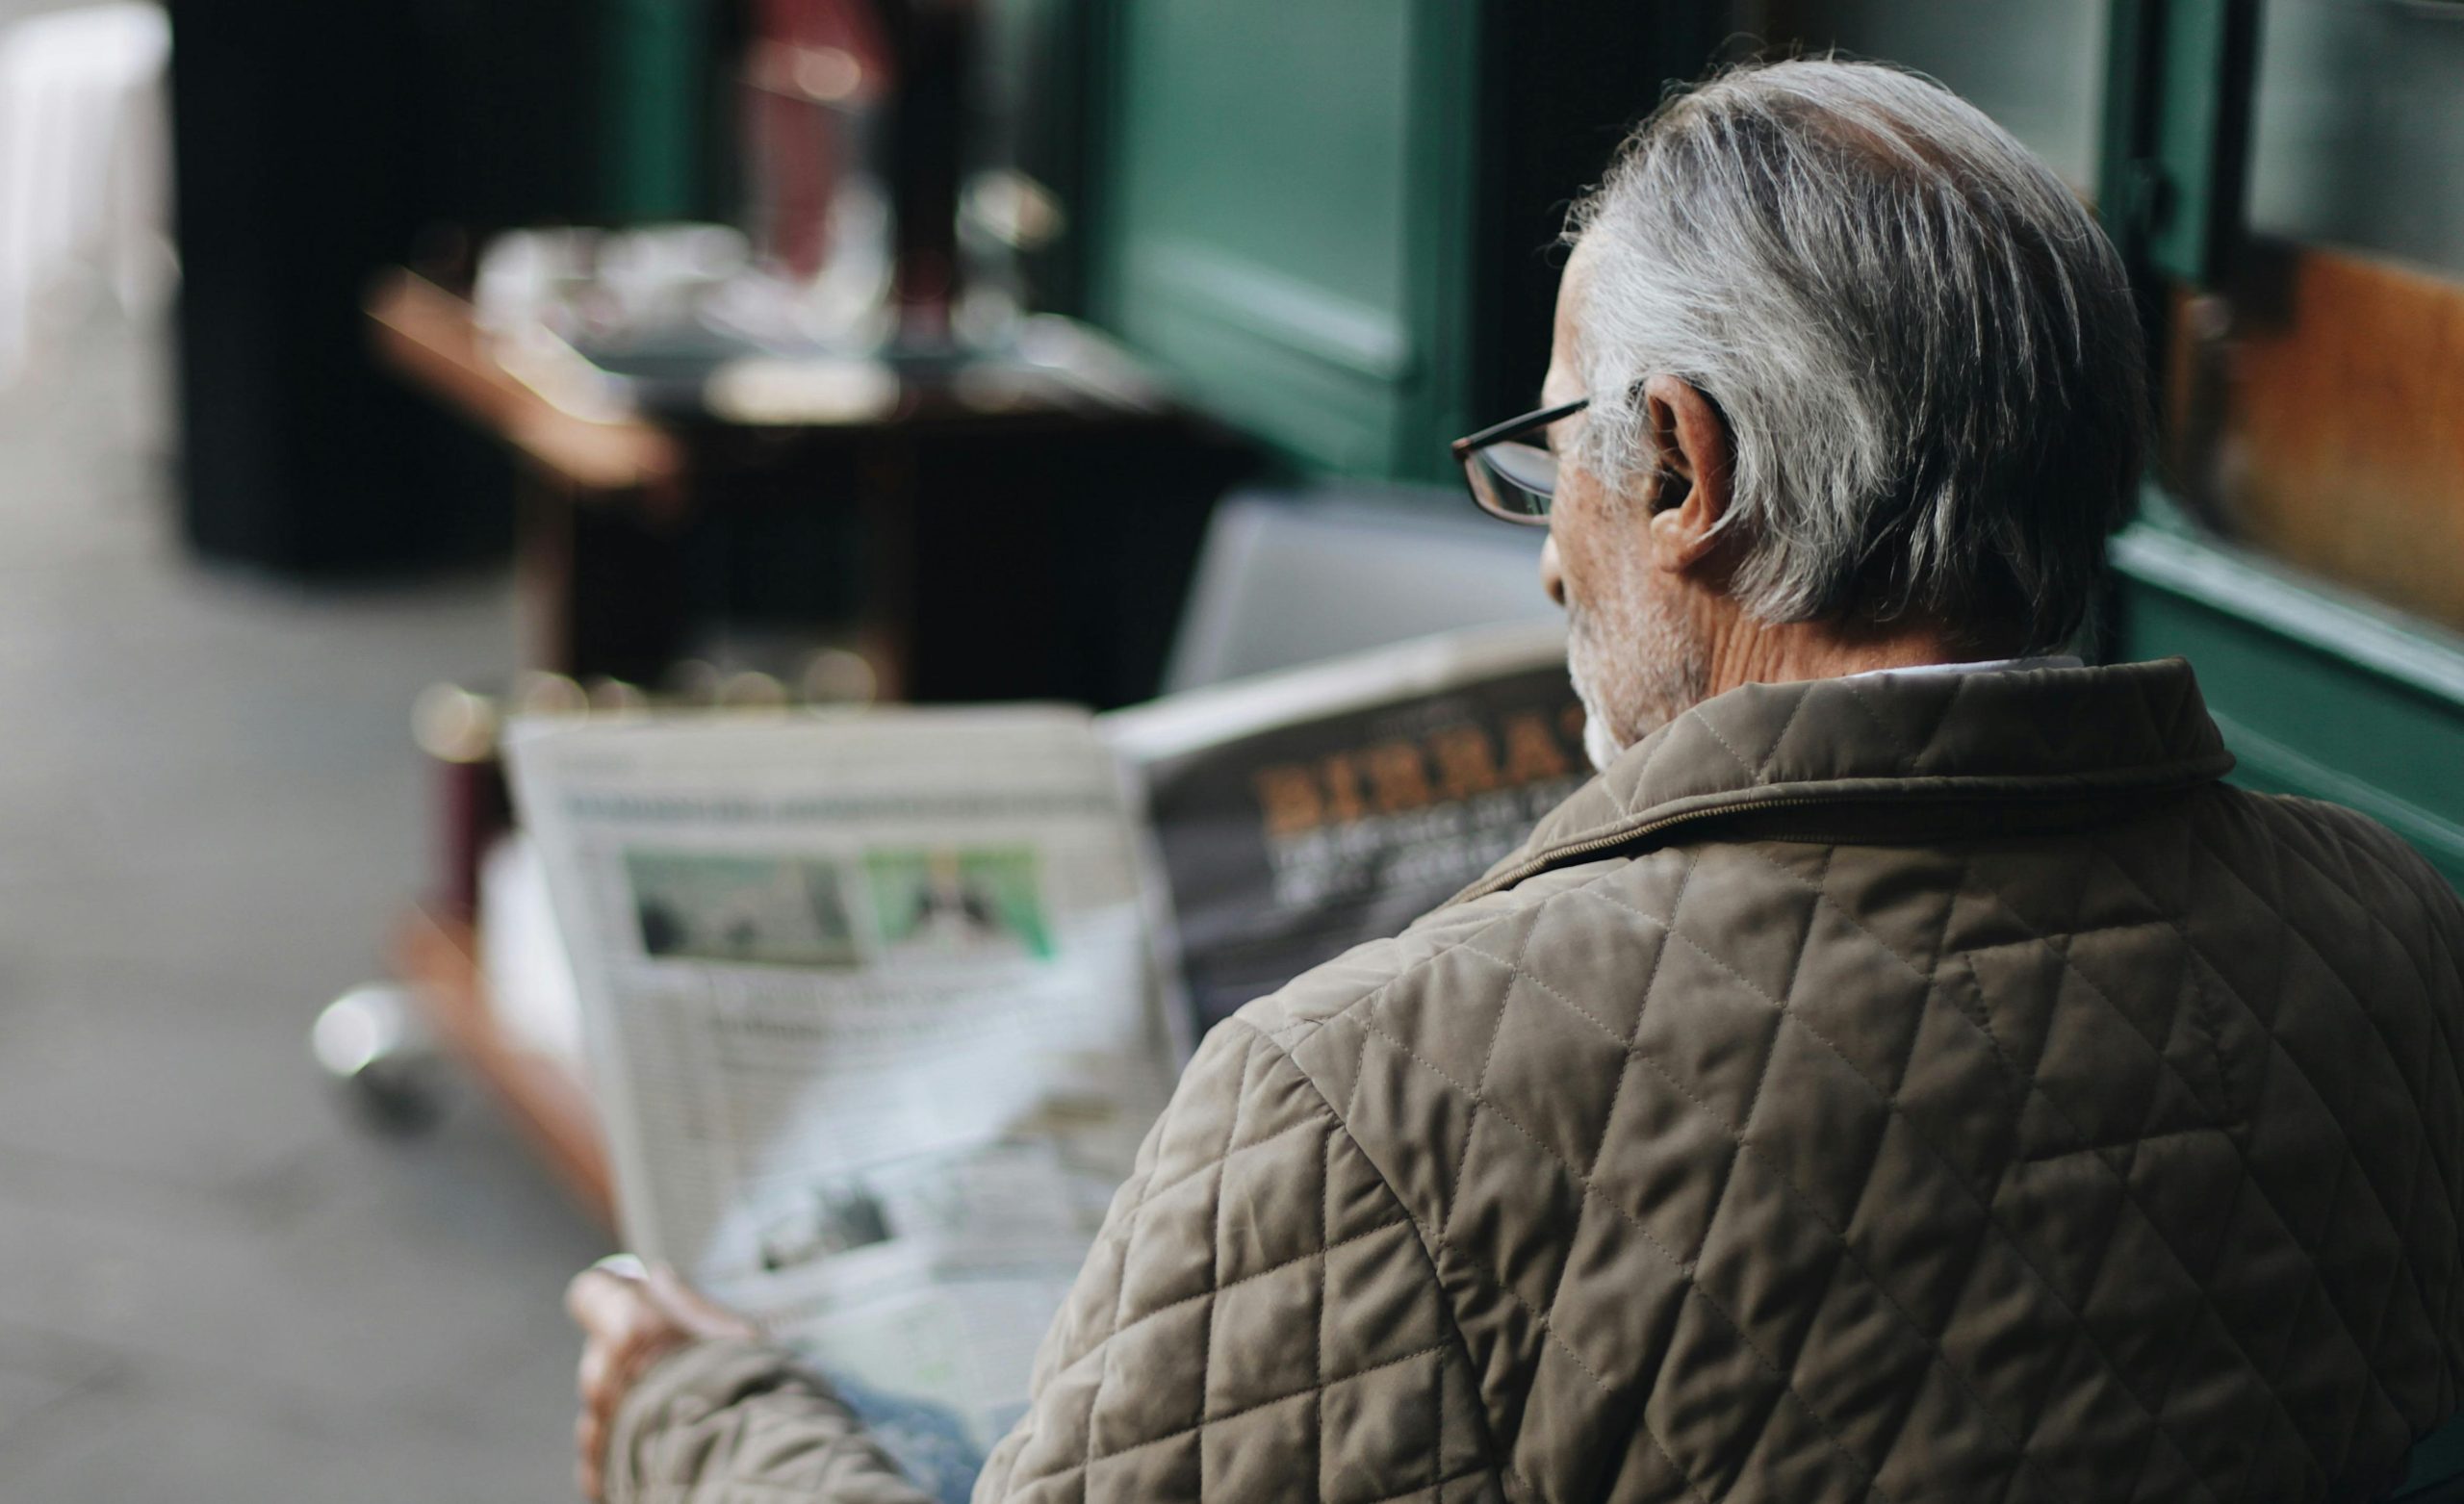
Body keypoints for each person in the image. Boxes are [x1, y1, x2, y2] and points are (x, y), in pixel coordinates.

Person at [566, 59, 2464, 1503]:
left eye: (1555, 448)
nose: (1548, 553)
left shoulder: (1370, 1095)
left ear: (1683, 473)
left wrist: (701, 1415)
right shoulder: (2395, 929)